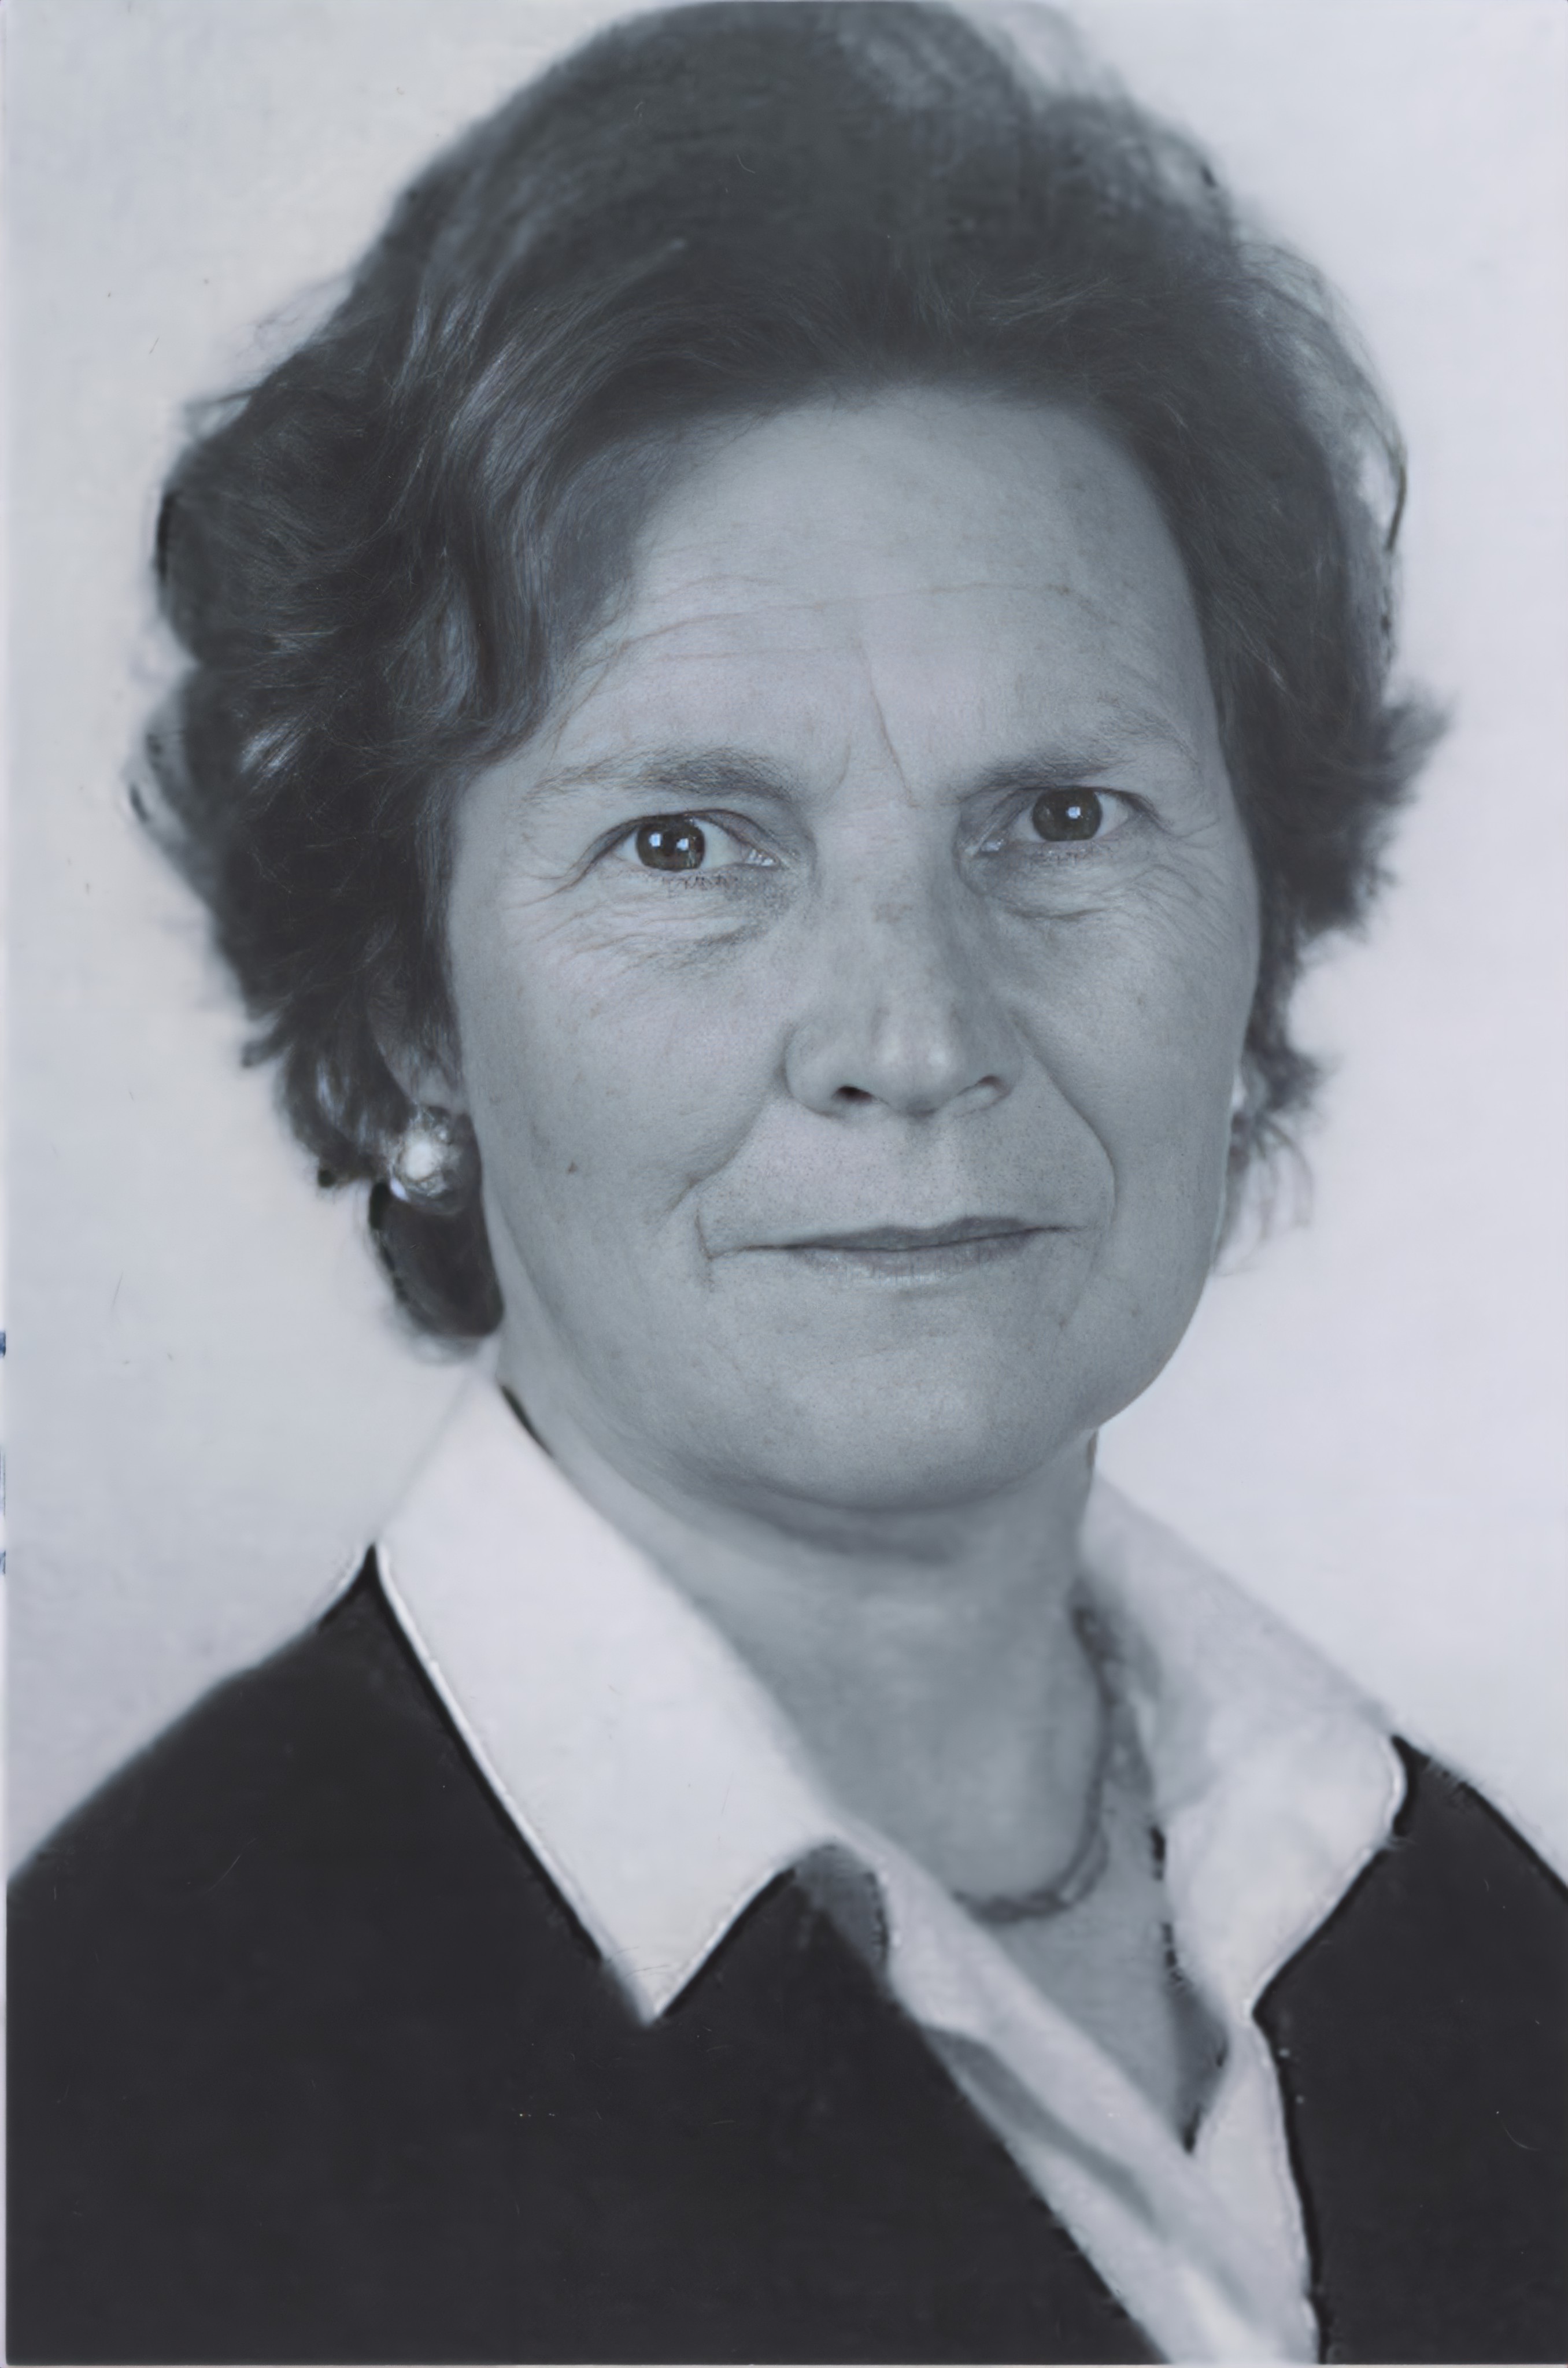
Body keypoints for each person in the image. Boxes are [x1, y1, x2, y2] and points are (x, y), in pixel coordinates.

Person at [9, 5, 1564, 2362]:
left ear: (1263, 913)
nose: (915, 1036)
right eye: (687, 844)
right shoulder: (102, 2117)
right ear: (410, 1005)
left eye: (1060, 816)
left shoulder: (1472, 1946)